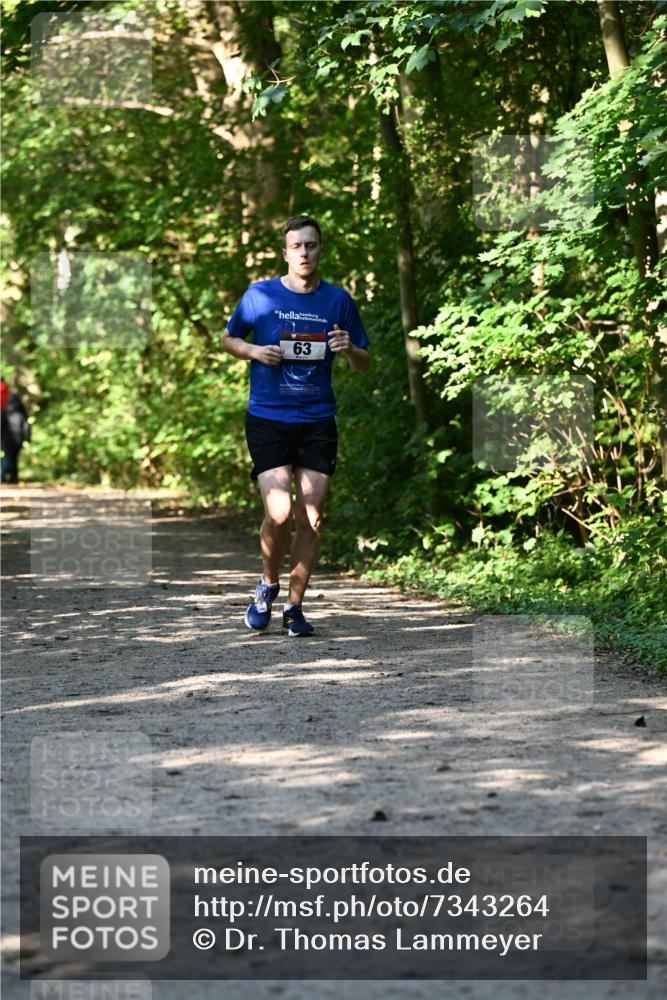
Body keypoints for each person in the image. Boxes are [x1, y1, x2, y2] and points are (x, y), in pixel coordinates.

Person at [222, 215, 370, 637]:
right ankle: (267, 584)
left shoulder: (338, 301)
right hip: (268, 417)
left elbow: (364, 363)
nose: (304, 253)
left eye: (311, 245)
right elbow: (227, 338)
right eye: (296, 246)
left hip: (317, 419)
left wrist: (348, 350)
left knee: (313, 517)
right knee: (280, 512)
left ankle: (294, 607)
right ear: (285, 253)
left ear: (321, 249)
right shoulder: (260, 295)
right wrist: (254, 350)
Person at [1, 378, 30, 484]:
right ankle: (13, 478)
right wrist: (27, 437)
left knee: (7, 456)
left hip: (7, 437)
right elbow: (26, 425)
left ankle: (4, 476)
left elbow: (2, 422)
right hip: (18, 437)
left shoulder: (5, 410)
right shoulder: (21, 413)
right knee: (14, 457)